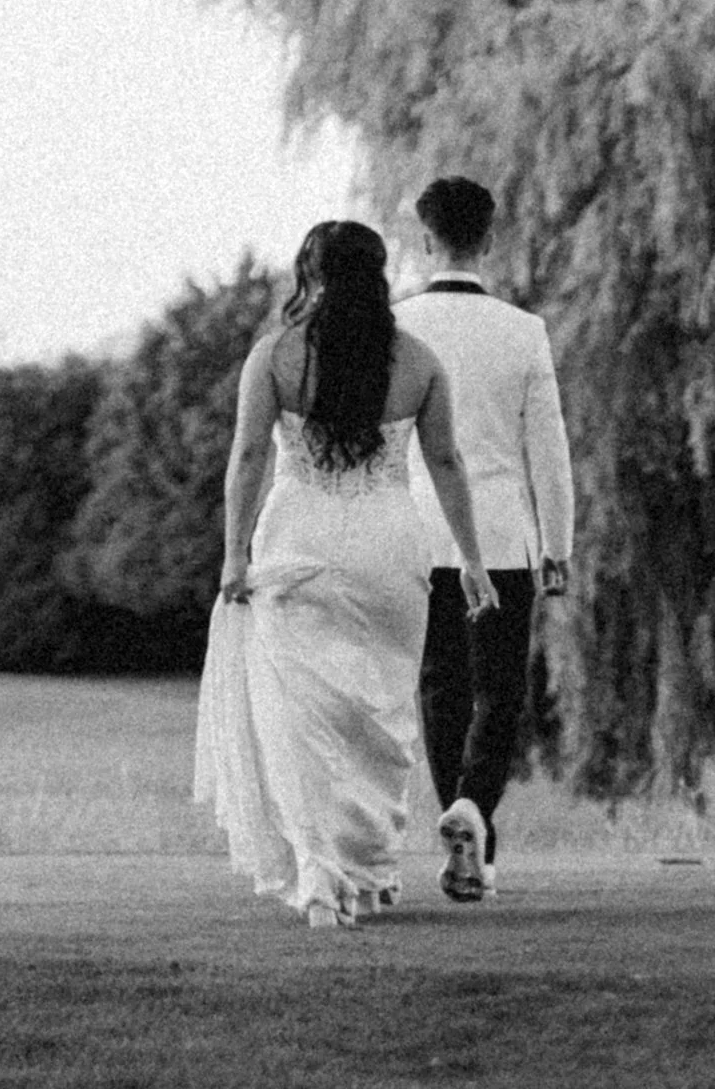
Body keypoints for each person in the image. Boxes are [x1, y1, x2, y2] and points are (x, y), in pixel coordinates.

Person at [195, 219, 495, 926]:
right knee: (379, 713)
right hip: (389, 548)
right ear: (379, 273)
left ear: (312, 274)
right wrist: (473, 560)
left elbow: (247, 460)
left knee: (298, 715)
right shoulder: (419, 361)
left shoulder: (276, 356)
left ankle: (321, 877)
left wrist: (235, 552)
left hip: (299, 539)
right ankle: (363, 872)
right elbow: (447, 463)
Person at [397, 175, 574, 905]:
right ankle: (475, 811)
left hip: (418, 534)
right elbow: (549, 451)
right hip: (502, 537)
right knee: (499, 691)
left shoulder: (397, 324)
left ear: (425, 238)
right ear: (490, 239)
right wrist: (557, 544)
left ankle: (460, 824)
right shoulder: (522, 331)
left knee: (441, 686)